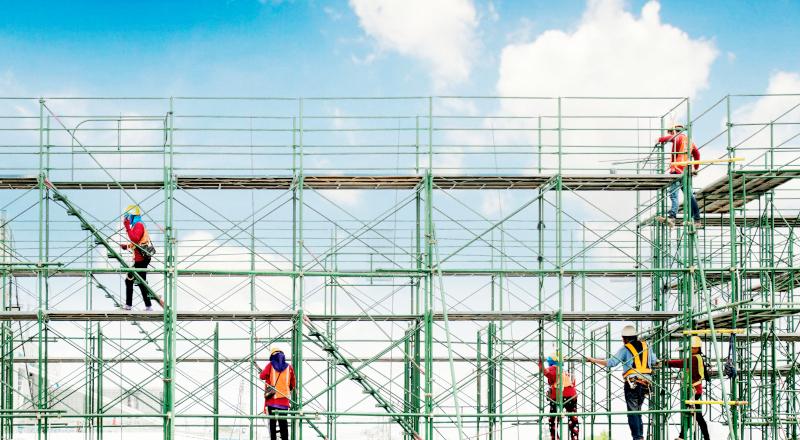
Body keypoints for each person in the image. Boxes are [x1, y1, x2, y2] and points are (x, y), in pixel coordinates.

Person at [585, 325, 657, 440]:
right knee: (637, 411)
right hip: (646, 383)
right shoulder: (647, 346)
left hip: (632, 383)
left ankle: (638, 438)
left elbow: (611, 363)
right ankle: (640, 437)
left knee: (633, 412)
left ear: (625, 338)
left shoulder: (626, 348)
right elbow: (654, 361)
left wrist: (593, 360)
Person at [657, 124, 702, 228]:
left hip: (676, 169)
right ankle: (697, 219)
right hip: (685, 171)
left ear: (674, 131)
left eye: (670, 132)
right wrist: (696, 168)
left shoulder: (678, 137)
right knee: (690, 196)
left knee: (673, 195)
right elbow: (697, 154)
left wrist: (659, 139)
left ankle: (672, 217)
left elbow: (668, 138)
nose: (670, 134)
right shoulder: (689, 141)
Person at [665, 336, 710, 440]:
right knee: (693, 414)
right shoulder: (698, 358)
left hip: (695, 391)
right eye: (691, 348)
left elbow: (682, 363)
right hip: (695, 390)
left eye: (693, 348)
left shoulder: (694, 358)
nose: (691, 350)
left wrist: (667, 362)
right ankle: (683, 436)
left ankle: (684, 436)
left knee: (696, 415)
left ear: (698, 348)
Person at [120, 205, 154, 311]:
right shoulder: (137, 225)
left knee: (133, 281)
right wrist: (127, 246)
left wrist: (127, 227)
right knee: (140, 281)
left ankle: (130, 305)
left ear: (132, 215)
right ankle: (147, 306)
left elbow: (134, 239)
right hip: (140, 259)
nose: (126, 219)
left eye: (127, 216)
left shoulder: (138, 225)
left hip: (141, 259)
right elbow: (138, 243)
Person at [539, 352, 579, 440]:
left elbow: (547, 373)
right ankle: (575, 437)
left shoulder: (554, 368)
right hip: (571, 395)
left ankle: (554, 438)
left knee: (553, 419)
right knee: (573, 419)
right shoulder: (563, 371)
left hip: (558, 395)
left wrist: (540, 365)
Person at [259, 347, 296, 440]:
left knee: (272, 424)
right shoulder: (289, 367)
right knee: (283, 423)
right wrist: (286, 389)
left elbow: (262, 376)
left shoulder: (270, 365)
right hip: (284, 400)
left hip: (272, 400)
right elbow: (293, 383)